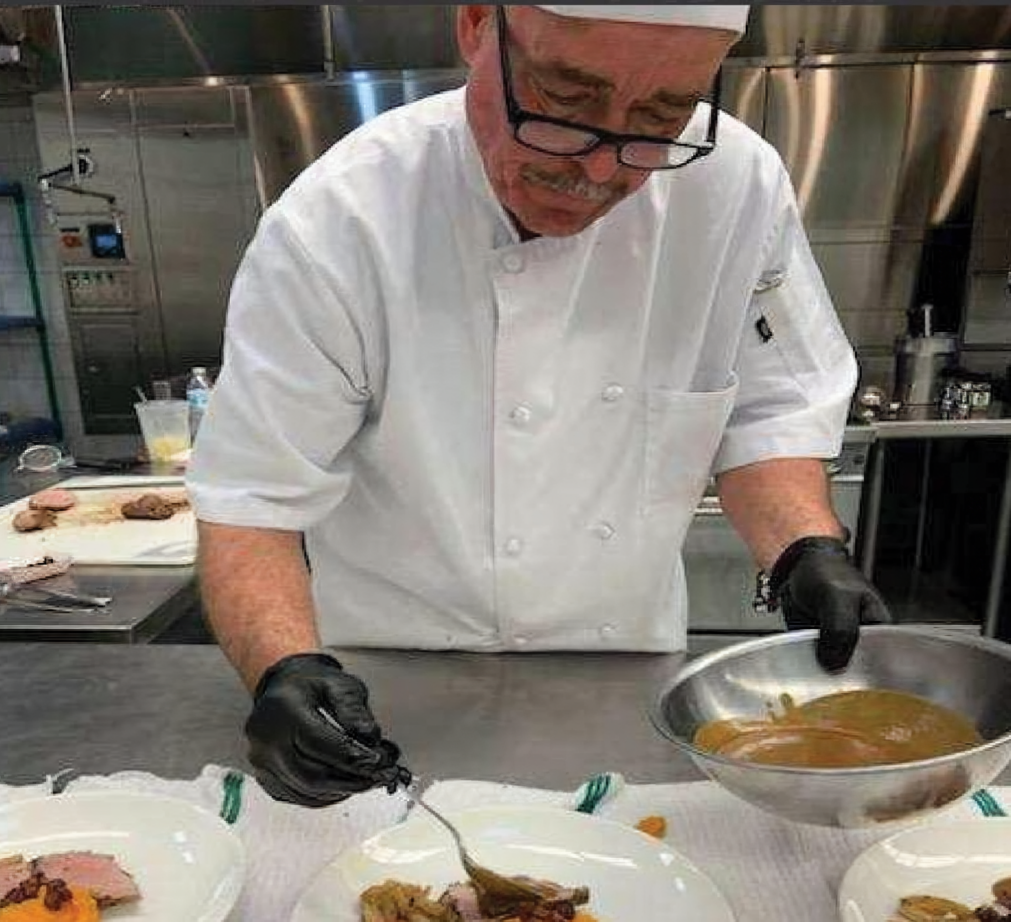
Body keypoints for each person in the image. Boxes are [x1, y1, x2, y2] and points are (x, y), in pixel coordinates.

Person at [186, 4, 891, 807]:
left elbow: (765, 408)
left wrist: (804, 548)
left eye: (661, 116)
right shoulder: (340, 219)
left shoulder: (736, 185)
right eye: (565, 100)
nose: (597, 170)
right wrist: (284, 669)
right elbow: (252, 498)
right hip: (382, 679)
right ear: (477, 27)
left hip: (627, 671)